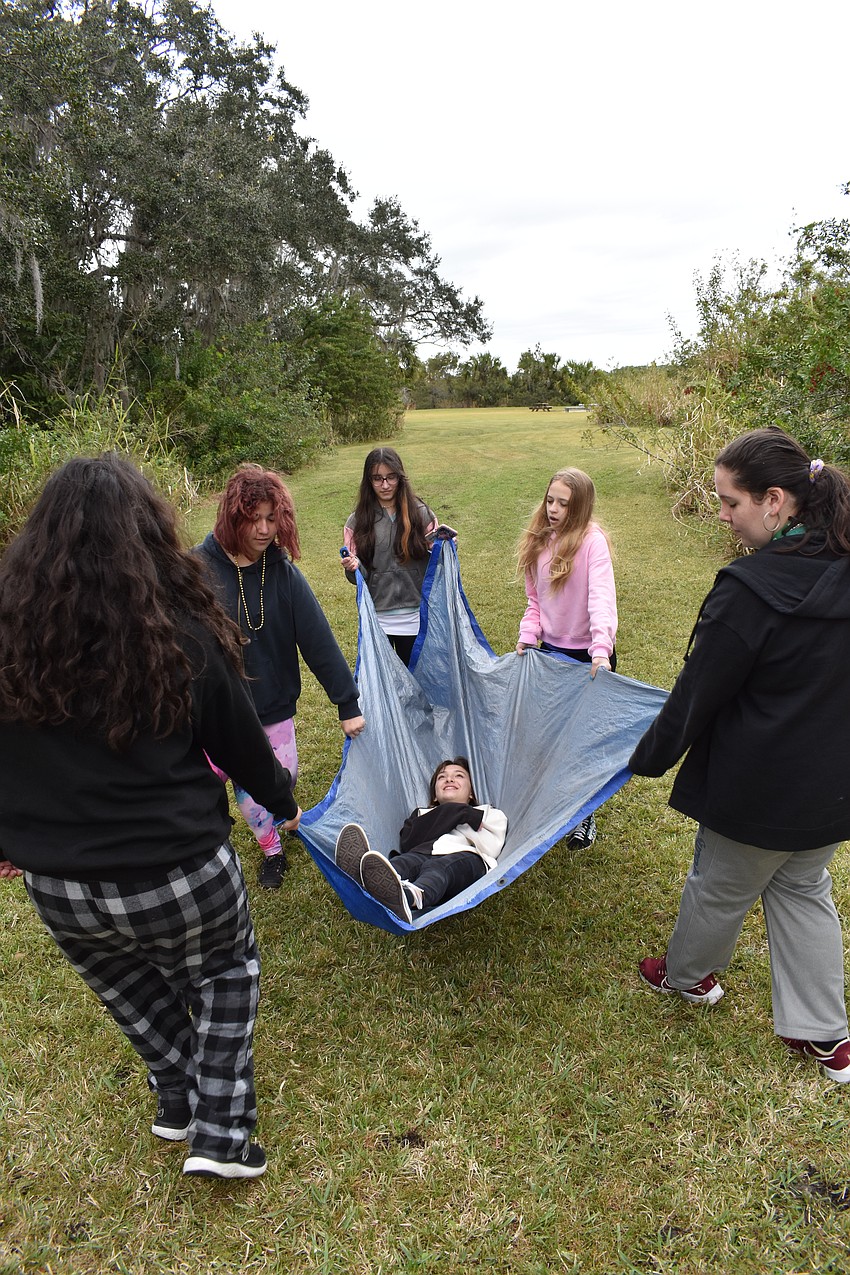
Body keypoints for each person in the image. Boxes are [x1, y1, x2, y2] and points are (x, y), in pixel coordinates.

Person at [0, 453, 302, 1179]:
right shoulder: (183, 631)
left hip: (61, 889)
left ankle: (177, 1098)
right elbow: (241, 744)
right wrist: (282, 799)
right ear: (148, 533)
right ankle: (222, 1134)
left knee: (131, 991)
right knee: (225, 973)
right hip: (179, 871)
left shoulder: (11, 636)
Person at [630, 426, 850, 1084]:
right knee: (805, 888)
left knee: (718, 888)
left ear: (776, 500)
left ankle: (688, 977)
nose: (722, 515)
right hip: (831, 790)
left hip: (757, 791)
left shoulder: (749, 591)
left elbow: (697, 692)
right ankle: (830, 1039)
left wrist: (646, 756)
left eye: (730, 503)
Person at [195, 464, 365, 889]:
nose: (265, 529)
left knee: (275, 784)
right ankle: (243, 850)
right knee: (205, 793)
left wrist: (347, 702)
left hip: (271, 705)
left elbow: (318, 640)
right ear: (233, 517)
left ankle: (269, 835)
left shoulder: (283, 574)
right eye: (254, 519)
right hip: (213, 711)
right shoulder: (198, 570)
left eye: (273, 518)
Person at [516, 467, 618, 849]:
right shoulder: (538, 541)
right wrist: (529, 636)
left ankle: (583, 817)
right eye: (550, 500)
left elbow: (601, 601)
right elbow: (535, 601)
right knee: (547, 738)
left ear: (581, 508)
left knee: (581, 743)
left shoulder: (593, 543)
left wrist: (600, 650)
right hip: (551, 655)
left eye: (564, 504)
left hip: (589, 657)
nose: (554, 509)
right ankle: (551, 806)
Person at [333, 757, 507, 923]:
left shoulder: (488, 813)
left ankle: (410, 897)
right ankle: (364, 878)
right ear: (434, 797)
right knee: (403, 862)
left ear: (471, 793)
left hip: (467, 860)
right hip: (421, 854)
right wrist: (460, 813)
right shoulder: (421, 815)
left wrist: (466, 813)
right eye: (442, 777)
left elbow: (491, 847)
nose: (449, 779)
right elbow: (409, 844)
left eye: (459, 775)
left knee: (437, 867)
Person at [341, 447, 439, 666]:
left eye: (391, 477)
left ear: (400, 477)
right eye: (377, 479)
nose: (385, 485)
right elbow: (358, 578)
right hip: (378, 621)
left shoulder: (422, 514)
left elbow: (437, 564)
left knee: (417, 685)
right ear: (369, 481)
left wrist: (447, 547)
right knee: (386, 689)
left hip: (417, 618)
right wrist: (354, 567)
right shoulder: (356, 523)